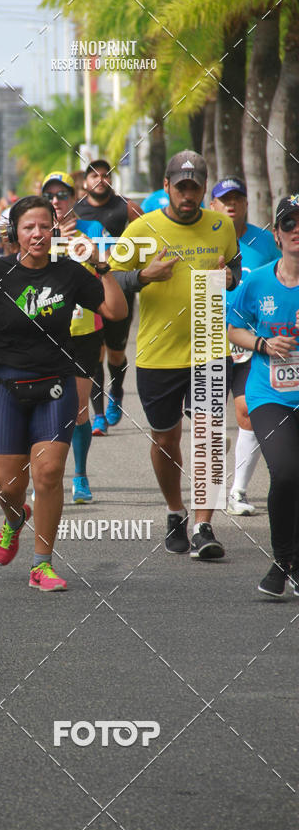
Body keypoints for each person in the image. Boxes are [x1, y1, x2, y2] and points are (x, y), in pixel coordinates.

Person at [0, 195, 127, 591]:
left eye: (45, 226)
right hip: (4, 386)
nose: (38, 234)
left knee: (48, 474)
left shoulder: (70, 273)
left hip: (56, 384)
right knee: (9, 487)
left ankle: (42, 564)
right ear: (15, 232)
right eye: (29, 227)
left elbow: (115, 311)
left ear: (54, 230)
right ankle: (14, 519)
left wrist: (101, 265)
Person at [109, 150, 240, 558]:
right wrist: (143, 276)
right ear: (166, 187)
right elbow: (108, 280)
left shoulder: (221, 225)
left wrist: (229, 277)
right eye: (181, 187)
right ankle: (174, 510)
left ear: (204, 189)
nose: (188, 195)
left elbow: (233, 270)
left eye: (195, 187)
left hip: (208, 346)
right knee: (166, 439)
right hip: (158, 351)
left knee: (209, 438)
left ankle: (203, 526)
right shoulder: (143, 229)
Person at [228, 194, 299, 597]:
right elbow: (232, 326)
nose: (296, 230)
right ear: (276, 234)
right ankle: (280, 561)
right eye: (289, 223)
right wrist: (261, 343)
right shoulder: (258, 280)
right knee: (287, 473)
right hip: (269, 393)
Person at [40, 171, 114, 504]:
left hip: (85, 331)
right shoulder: (37, 233)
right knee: (43, 407)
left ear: (74, 198)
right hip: (45, 329)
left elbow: (106, 270)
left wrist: (78, 247)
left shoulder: (93, 229)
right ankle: (44, 474)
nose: (57, 201)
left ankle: (80, 476)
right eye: (50, 196)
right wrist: (51, 240)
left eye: (62, 195)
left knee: (78, 410)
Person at [210, 175, 281, 516]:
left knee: (246, 413)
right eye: (225, 199)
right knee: (206, 423)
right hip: (206, 338)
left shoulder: (265, 242)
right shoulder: (203, 237)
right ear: (213, 205)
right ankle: (202, 501)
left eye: (237, 198)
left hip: (248, 341)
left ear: (246, 203)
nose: (231, 204)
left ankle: (237, 491)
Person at [74, 159, 142, 436]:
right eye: (94, 175)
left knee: (115, 354)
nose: (100, 179)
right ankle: (98, 414)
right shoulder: (76, 211)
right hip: (89, 292)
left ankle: (116, 390)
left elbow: (145, 235)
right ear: (85, 182)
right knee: (95, 353)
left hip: (119, 288)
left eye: (105, 175)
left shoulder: (126, 206)